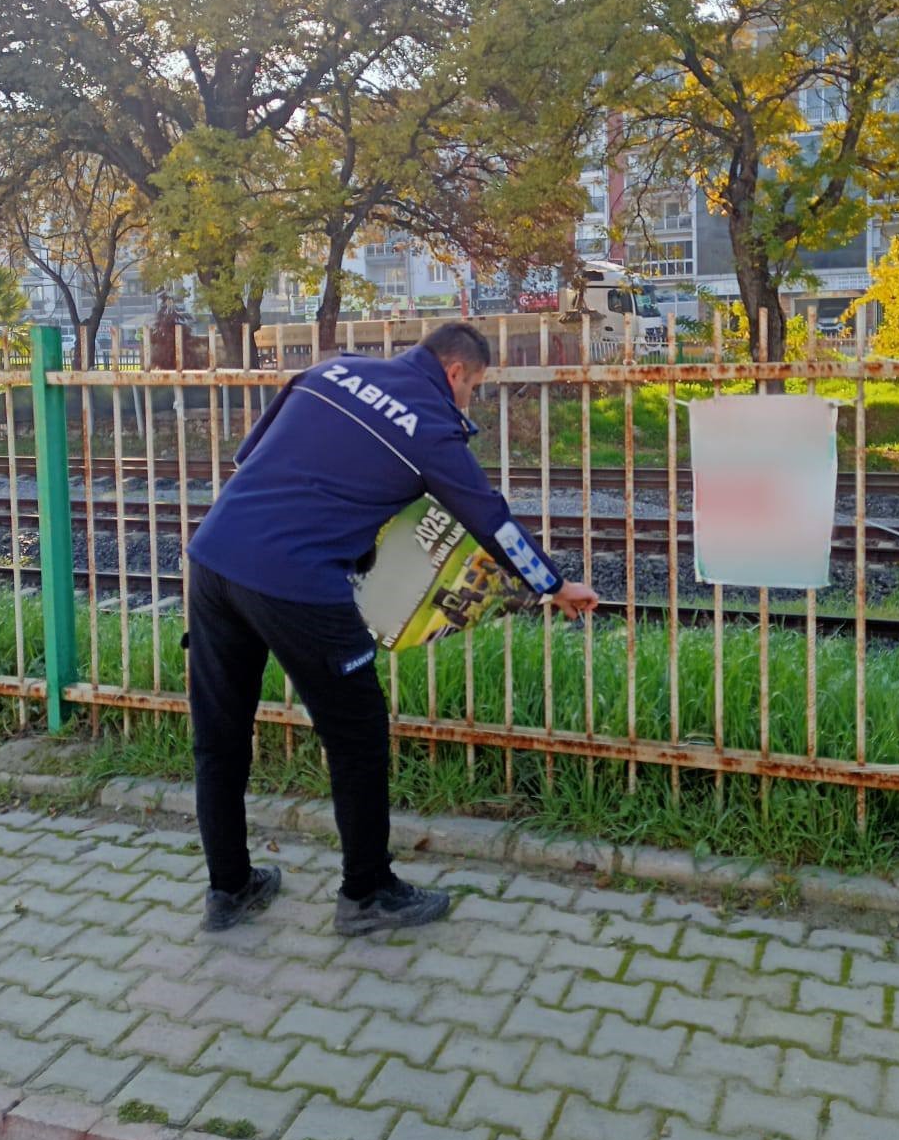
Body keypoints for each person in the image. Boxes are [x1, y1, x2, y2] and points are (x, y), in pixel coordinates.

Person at [184, 321, 599, 935]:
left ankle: (229, 888)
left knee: (219, 734)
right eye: (474, 388)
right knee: (357, 735)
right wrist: (554, 585)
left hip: (214, 557)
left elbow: (251, 455)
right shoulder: (431, 427)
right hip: (297, 584)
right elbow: (490, 520)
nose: (470, 402)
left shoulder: (330, 371)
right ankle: (367, 892)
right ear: (456, 372)